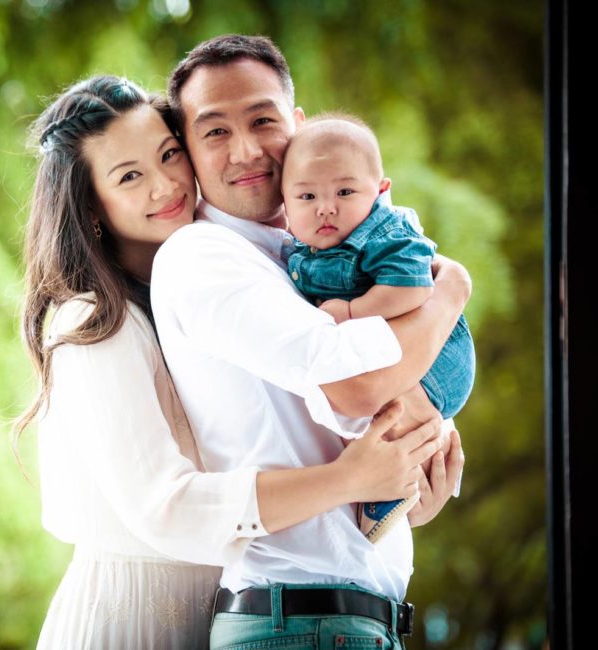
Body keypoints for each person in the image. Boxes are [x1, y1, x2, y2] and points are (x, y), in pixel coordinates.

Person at [15, 75, 444, 649]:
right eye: (130, 176)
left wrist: (401, 491)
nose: (165, 184)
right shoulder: (93, 323)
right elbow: (164, 506)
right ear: (92, 205)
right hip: (134, 620)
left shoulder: (213, 285)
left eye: (169, 155)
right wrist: (346, 480)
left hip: (229, 609)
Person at [151, 35, 469, 648]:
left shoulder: (304, 255)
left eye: (262, 120)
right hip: (296, 620)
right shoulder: (205, 256)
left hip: (348, 617)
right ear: (188, 153)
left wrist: (413, 492)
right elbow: (353, 387)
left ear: (297, 126)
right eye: (214, 132)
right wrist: (451, 290)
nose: (246, 150)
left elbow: (358, 422)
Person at [281, 113, 476, 542]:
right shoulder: (298, 249)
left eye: (345, 192)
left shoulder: (387, 231)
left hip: (441, 360)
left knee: (387, 414)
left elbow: (411, 288)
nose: (326, 206)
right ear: (286, 203)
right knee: (363, 419)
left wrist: (352, 313)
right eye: (307, 196)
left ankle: (394, 493)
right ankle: (398, 489)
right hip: (404, 354)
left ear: (381, 190)